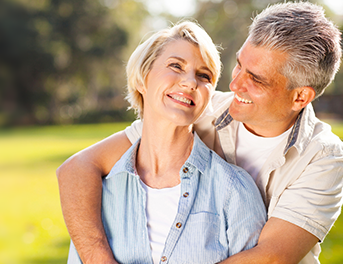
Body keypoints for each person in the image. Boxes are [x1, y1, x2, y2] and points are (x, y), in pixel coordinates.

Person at [57, 2, 343, 264]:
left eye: (255, 80)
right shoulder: (199, 108)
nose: (235, 86)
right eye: (239, 66)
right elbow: (79, 167)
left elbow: (270, 258)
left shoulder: (323, 157)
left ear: (300, 97)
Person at [65, 21, 267, 264]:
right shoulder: (99, 193)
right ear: (142, 79)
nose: (190, 82)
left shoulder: (235, 189)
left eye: (204, 76)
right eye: (176, 66)